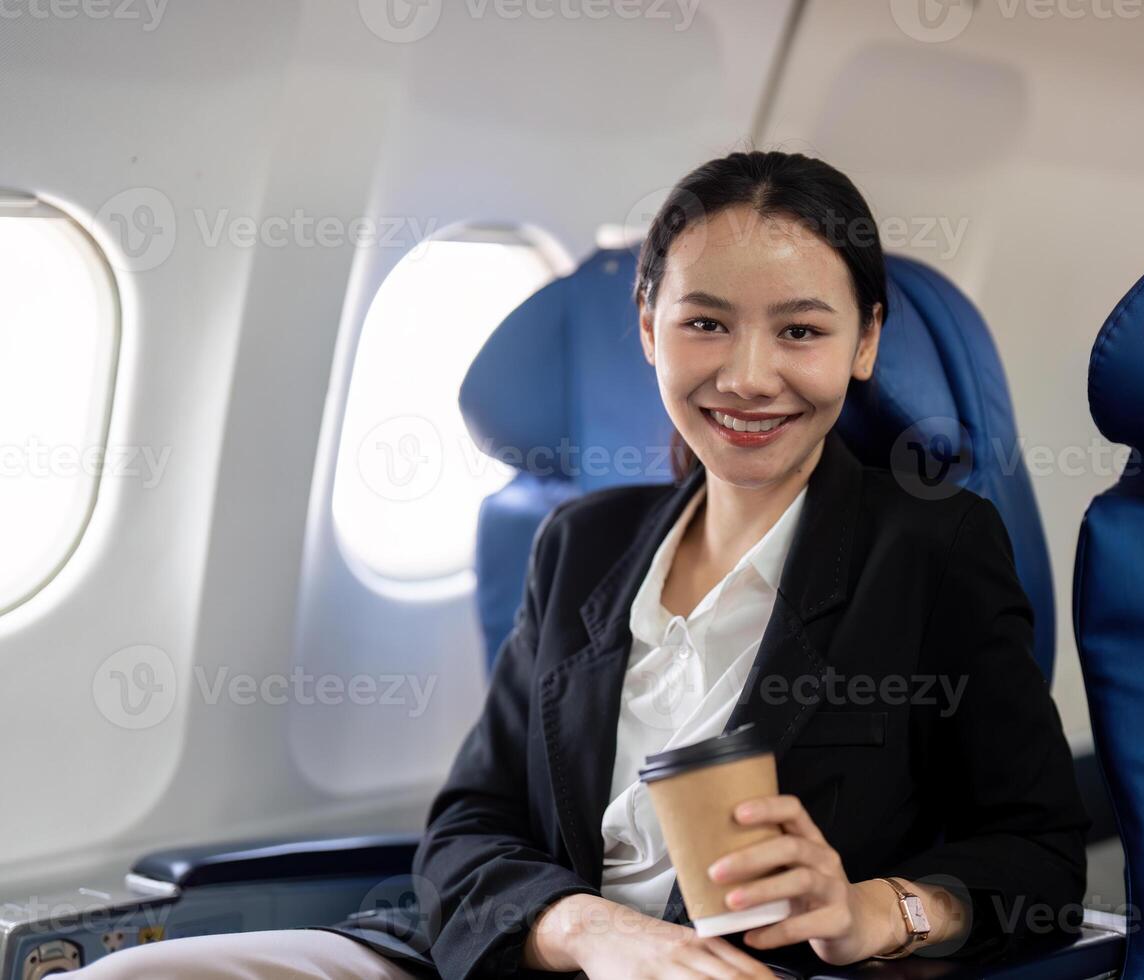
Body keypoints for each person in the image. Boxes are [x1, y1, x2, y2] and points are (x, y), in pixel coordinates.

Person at [74, 150, 1088, 980]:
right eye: (705, 323)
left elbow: (1038, 855)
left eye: (801, 331)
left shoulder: (928, 546)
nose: (747, 375)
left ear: (864, 343)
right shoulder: (586, 542)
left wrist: (872, 909)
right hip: (515, 959)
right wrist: (587, 928)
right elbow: (471, 823)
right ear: (648, 327)